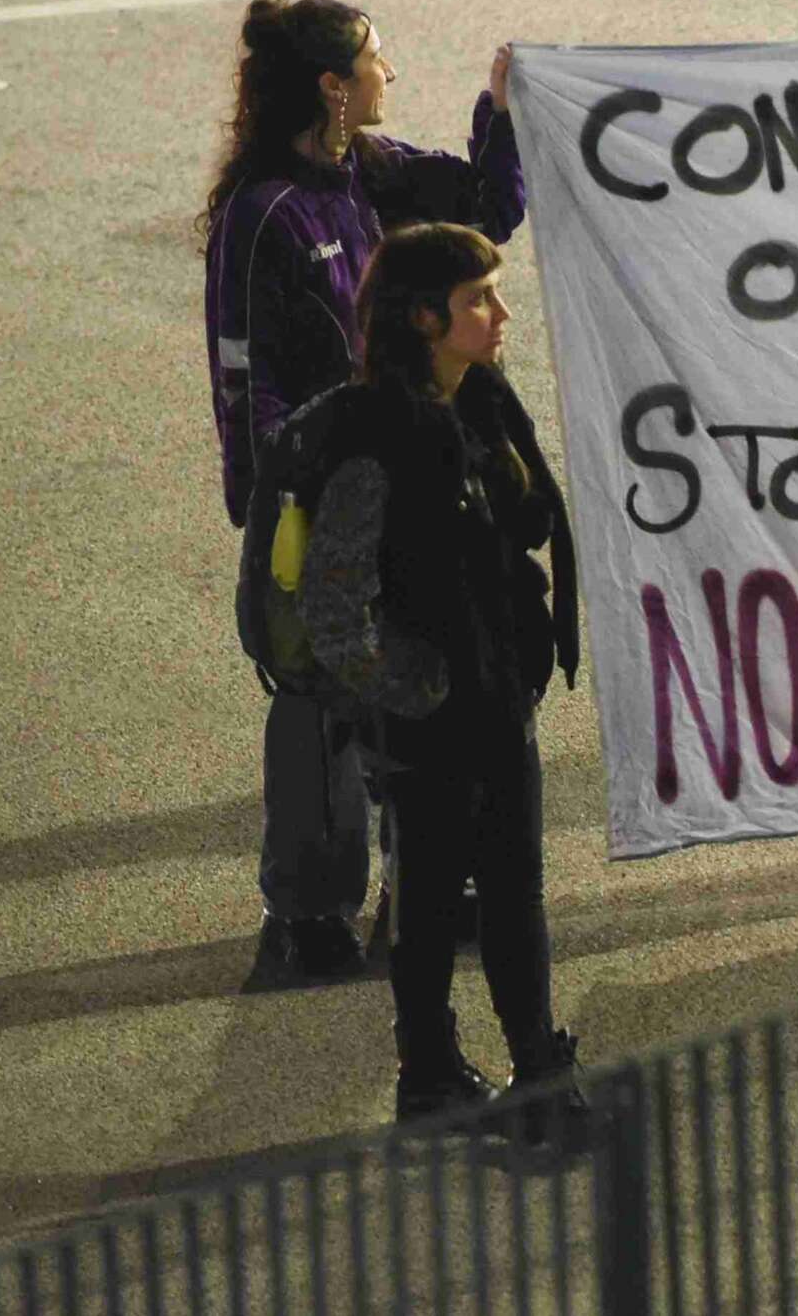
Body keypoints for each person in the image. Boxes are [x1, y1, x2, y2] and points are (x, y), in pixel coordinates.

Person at [200, 0, 528, 980]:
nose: (391, 72)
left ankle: (430, 884)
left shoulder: (374, 173)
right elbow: (243, 376)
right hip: (321, 496)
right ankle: (306, 916)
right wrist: (274, 496)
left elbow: (485, 210)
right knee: (320, 702)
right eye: (377, 60)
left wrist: (500, 110)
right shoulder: (263, 216)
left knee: (432, 675)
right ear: (333, 87)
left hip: (410, 479)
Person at [295, 222, 583, 1125]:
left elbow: (525, 522)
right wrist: (415, 690)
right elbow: (333, 609)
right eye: (477, 299)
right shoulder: (374, 439)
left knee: (493, 893)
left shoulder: (482, 400)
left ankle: (486, 1071)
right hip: (435, 722)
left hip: (499, 700)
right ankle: (478, 1075)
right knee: (440, 898)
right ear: (424, 318)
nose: (500, 314)